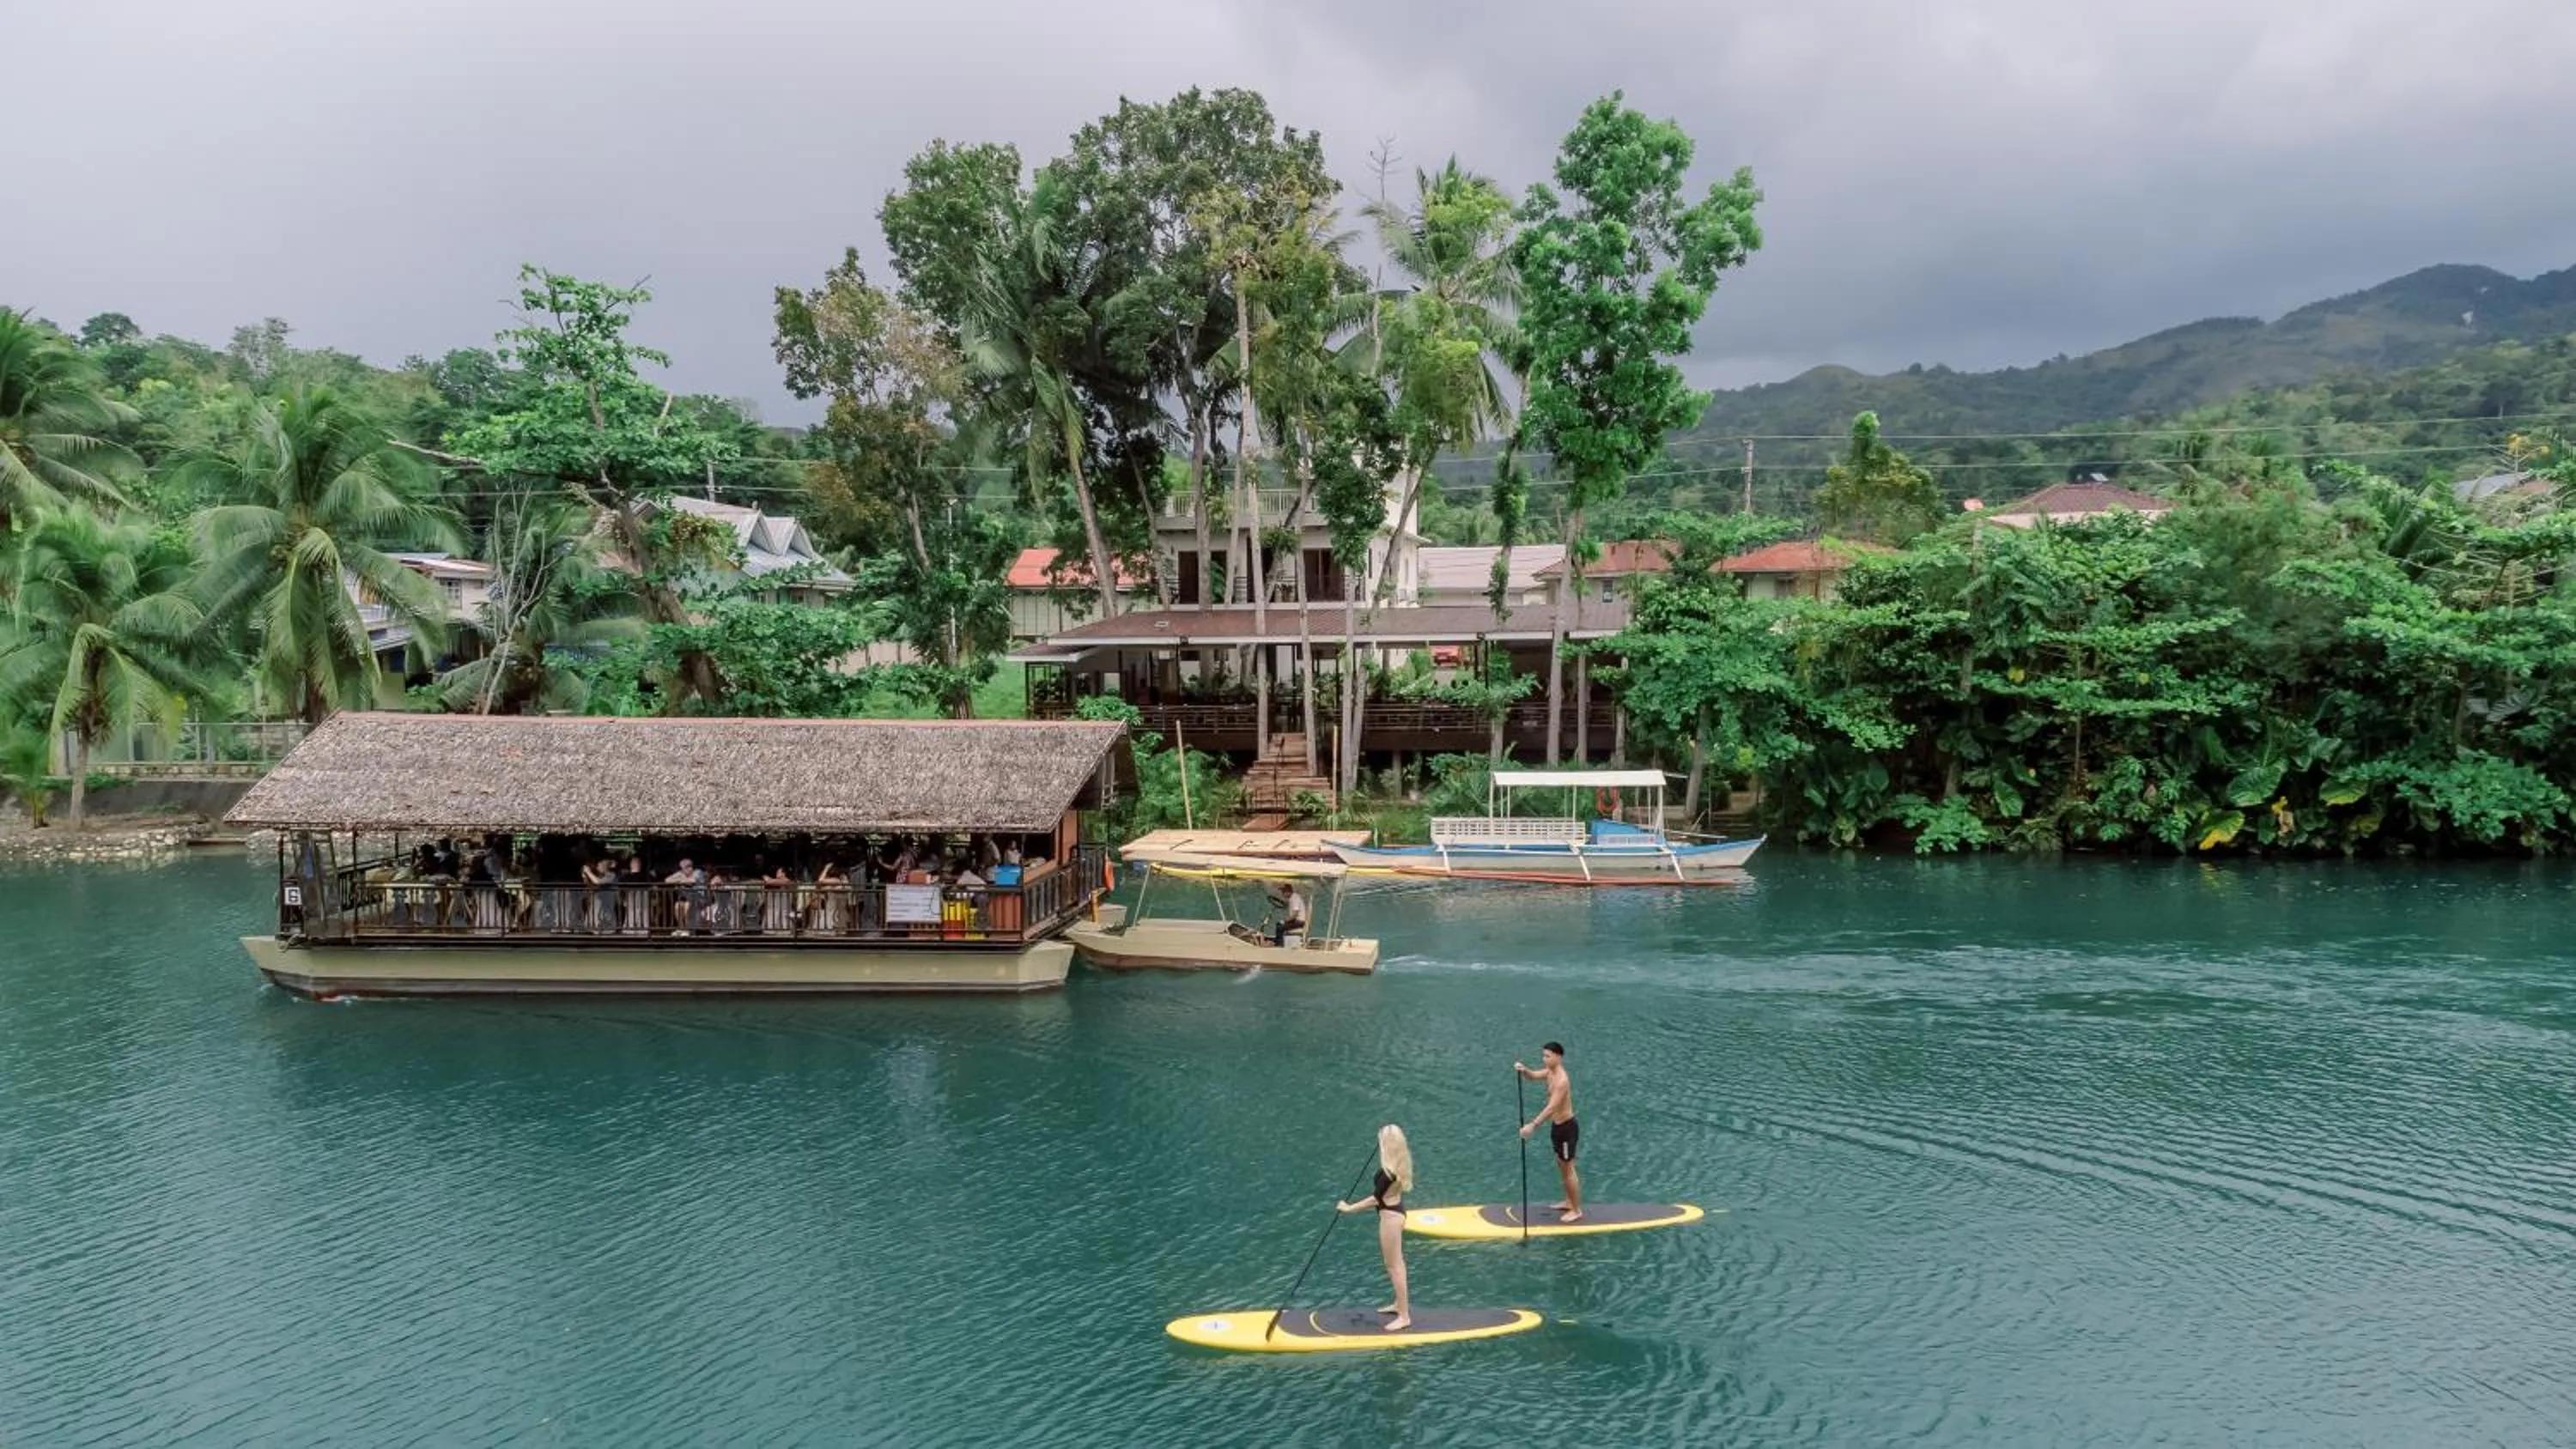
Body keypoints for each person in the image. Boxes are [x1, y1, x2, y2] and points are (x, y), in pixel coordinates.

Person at [1335, 1124, 1414, 1332]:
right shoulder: (1400, 1165)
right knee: (1398, 1264)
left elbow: (1375, 1199)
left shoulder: (1388, 1174)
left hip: (1390, 1218)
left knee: (1393, 1266)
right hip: (1396, 1212)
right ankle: (1400, 1305)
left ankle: (1404, 1316)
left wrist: (1349, 1208)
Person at [1516, 1042, 1583, 1223]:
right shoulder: (1550, 1072)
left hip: (1567, 1128)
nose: (1544, 1059)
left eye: (1548, 1056)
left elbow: (1552, 1107)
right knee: (1561, 1165)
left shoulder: (1562, 1080)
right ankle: (1569, 1201)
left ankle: (1576, 1211)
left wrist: (1532, 1125)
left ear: (1559, 1057)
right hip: (1557, 1127)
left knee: (1568, 1168)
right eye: (1543, 1056)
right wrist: (1524, 1071)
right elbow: (1534, 1076)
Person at [1264, 881, 1309, 947]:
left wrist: (1285, 921)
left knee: (1280, 926)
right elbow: (1287, 906)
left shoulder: (1294, 898)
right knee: (1279, 924)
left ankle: (1279, 945)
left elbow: (1295, 914)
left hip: (1299, 922)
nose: (1282, 894)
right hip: (1297, 921)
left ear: (1288, 891)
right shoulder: (1292, 898)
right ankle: (1278, 941)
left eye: (1283, 892)